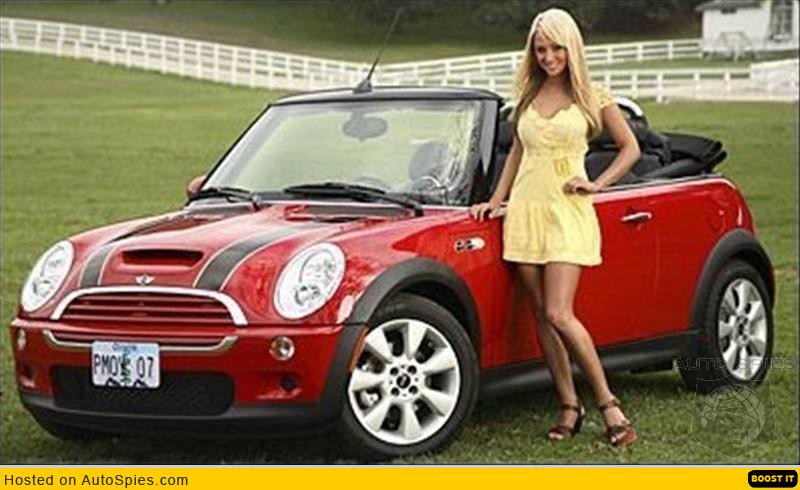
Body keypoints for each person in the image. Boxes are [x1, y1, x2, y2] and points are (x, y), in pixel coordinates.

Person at [469, 8, 641, 446]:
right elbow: (517, 153)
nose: (548, 57)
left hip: (567, 211)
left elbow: (630, 148)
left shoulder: (593, 96)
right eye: (541, 49)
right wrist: (496, 200)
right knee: (541, 315)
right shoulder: (528, 94)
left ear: (571, 48)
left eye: (556, 48)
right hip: (525, 211)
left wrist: (597, 184)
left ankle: (609, 405)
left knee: (558, 313)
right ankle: (568, 405)